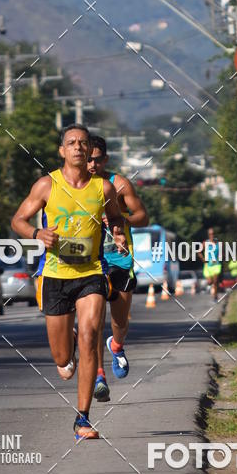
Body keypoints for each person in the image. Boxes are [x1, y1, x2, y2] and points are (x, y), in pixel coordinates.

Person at [11, 124, 127, 440]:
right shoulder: (46, 185)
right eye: (71, 142)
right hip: (55, 276)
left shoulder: (103, 188)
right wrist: (37, 233)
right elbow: (18, 220)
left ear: (89, 151)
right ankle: (68, 346)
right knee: (63, 360)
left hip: (91, 273)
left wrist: (117, 232)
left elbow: (116, 216)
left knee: (90, 335)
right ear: (62, 150)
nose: (77, 147)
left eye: (83, 143)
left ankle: (83, 419)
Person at [87, 135, 149, 403]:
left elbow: (143, 216)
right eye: (87, 159)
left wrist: (120, 220)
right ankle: (99, 376)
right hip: (90, 262)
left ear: (106, 160)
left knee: (119, 321)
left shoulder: (119, 184)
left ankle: (117, 344)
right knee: (93, 321)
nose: (91, 165)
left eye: (97, 160)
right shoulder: (74, 187)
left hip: (120, 260)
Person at [201, 227, 221, 300]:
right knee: (210, 282)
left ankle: (215, 295)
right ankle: (214, 287)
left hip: (216, 265)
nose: (211, 235)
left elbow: (222, 253)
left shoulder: (218, 243)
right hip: (208, 266)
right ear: (208, 235)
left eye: (213, 234)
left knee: (215, 281)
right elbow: (199, 252)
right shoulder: (205, 243)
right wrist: (203, 259)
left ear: (215, 234)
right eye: (210, 234)